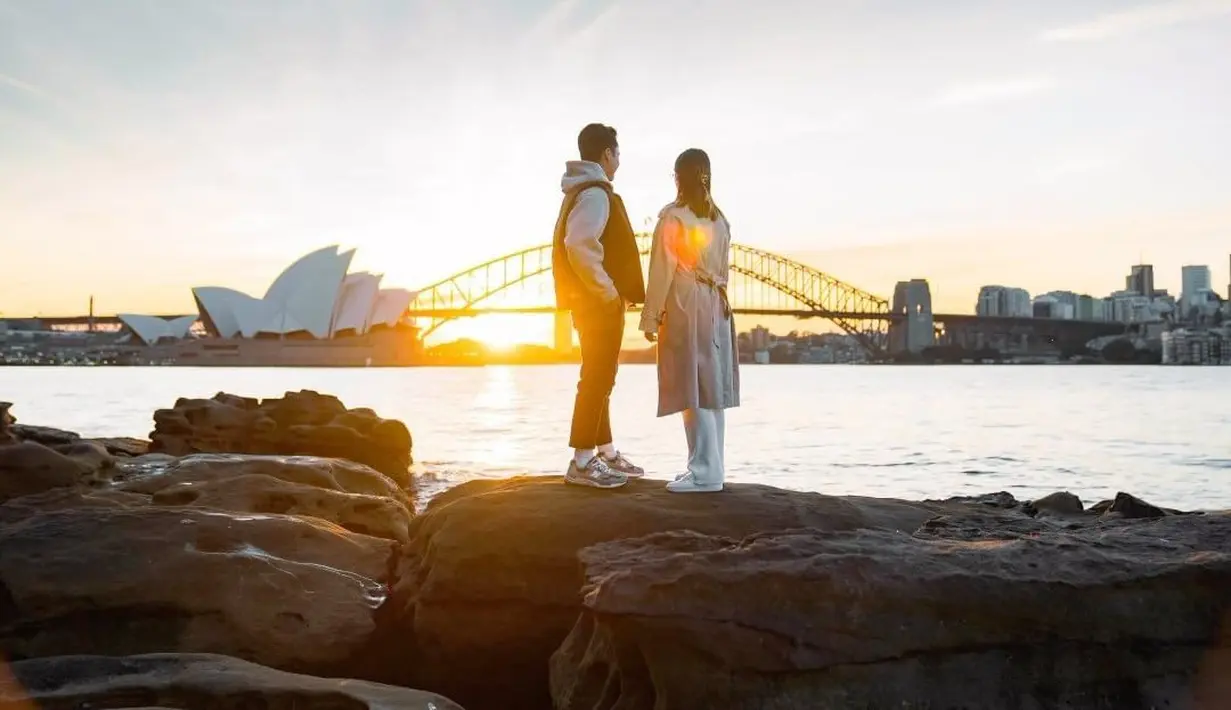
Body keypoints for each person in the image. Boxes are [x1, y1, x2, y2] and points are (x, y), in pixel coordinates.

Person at [551, 123, 647, 488]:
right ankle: (582, 461)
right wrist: (606, 291)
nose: (619, 159)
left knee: (602, 377)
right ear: (607, 154)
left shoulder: (584, 191)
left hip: (594, 301)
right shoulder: (595, 194)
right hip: (598, 303)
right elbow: (579, 244)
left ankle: (604, 453)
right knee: (595, 378)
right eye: (617, 153)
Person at [638, 148, 740, 493]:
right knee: (710, 387)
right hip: (716, 304)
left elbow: (661, 270)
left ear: (679, 177)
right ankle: (708, 465)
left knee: (691, 384)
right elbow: (724, 270)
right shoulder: (719, 219)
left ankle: (705, 473)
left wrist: (651, 318)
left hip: (686, 304)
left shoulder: (674, 218)